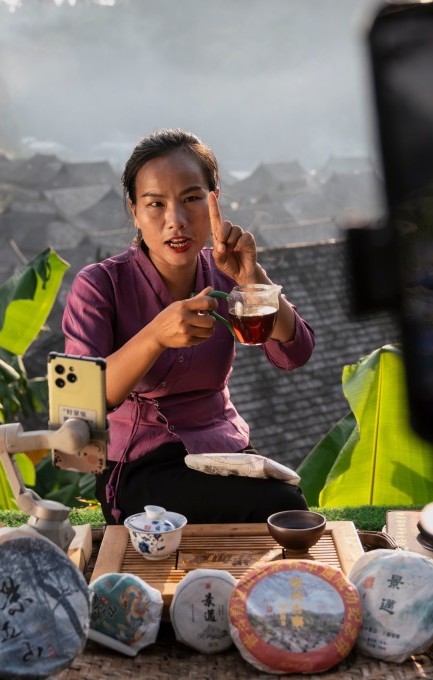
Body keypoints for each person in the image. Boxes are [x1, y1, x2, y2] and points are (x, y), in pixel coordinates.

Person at [61, 128, 315, 524]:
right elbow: (77, 406)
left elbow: (295, 351)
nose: (175, 221)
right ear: (134, 211)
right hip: (139, 462)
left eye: (192, 199)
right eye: (155, 204)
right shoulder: (98, 285)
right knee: (274, 507)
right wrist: (155, 336)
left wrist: (253, 279)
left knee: (286, 505)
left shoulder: (225, 271)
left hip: (223, 450)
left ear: (215, 201)